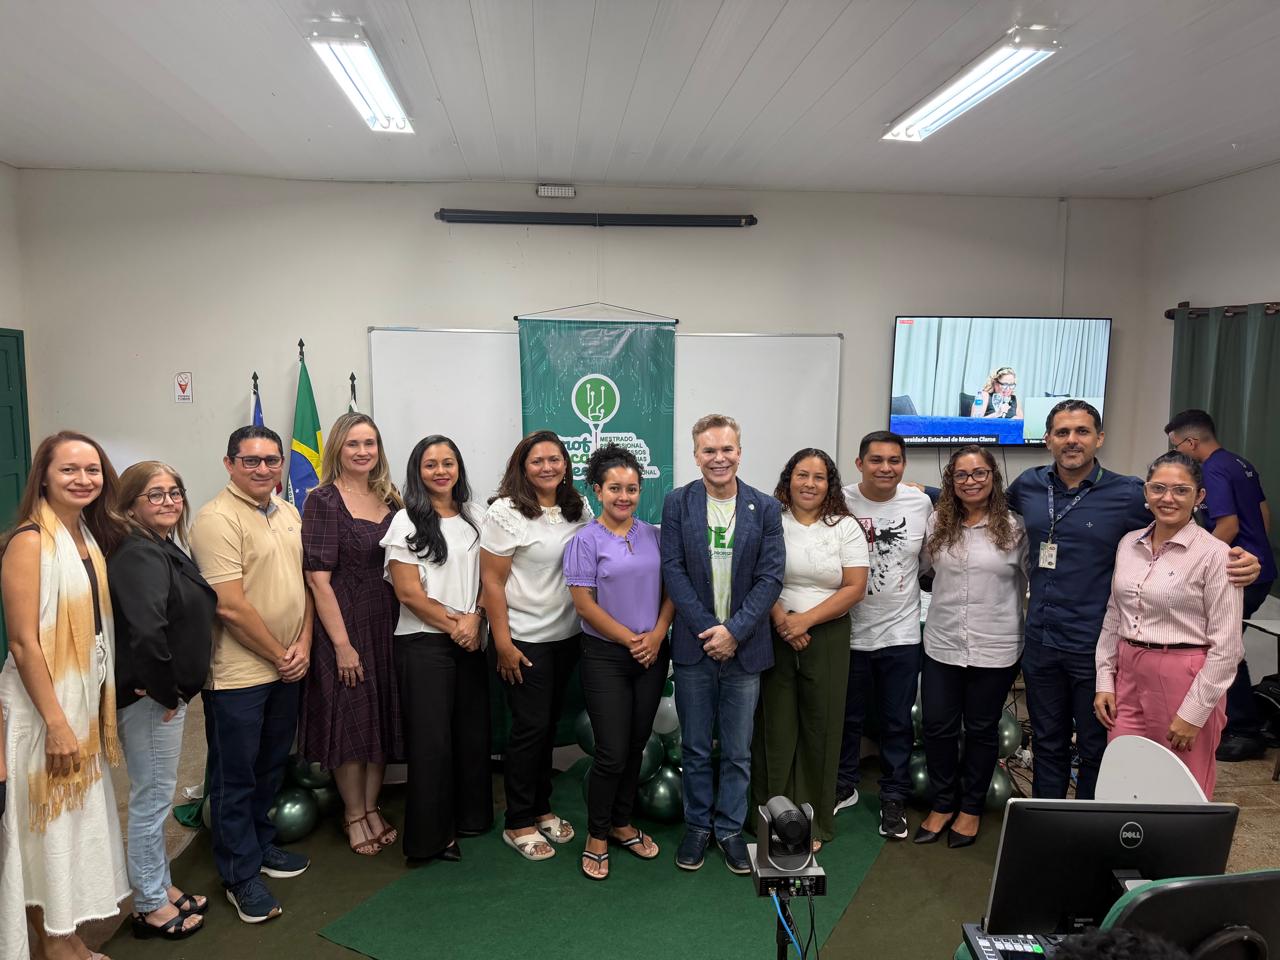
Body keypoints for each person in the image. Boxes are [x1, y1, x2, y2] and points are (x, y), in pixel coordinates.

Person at [1006, 400, 1259, 801]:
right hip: (1043, 641)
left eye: (1082, 431)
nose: (1072, 440)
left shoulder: (1127, 493)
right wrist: (922, 491)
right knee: (1047, 744)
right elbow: (980, 504)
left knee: (1099, 752)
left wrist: (1242, 560)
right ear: (1048, 439)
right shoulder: (1028, 485)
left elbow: (1184, 529)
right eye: (1062, 432)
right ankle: (1048, 827)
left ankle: (1094, 830)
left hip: (1093, 646)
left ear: (1099, 438)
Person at [0, 431, 130, 960]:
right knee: (41, 832)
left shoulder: (85, 535)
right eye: (69, 470)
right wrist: (55, 722)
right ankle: (52, 945)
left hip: (80, 705)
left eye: (92, 470)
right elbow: (23, 642)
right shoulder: (30, 541)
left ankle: (66, 934)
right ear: (44, 477)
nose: (83, 479)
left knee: (66, 831)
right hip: (41, 711)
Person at [189, 425, 313, 924]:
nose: (263, 469)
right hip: (238, 676)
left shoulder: (287, 511)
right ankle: (239, 875)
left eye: (271, 460)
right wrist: (282, 654)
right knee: (234, 778)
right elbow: (230, 607)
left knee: (270, 766)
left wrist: (304, 644)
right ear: (229, 464)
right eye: (251, 460)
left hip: (287, 664)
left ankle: (260, 847)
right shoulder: (215, 520)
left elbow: (303, 586)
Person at [661, 414, 784, 875]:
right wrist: (710, 631)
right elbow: (672, 570)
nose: (719, 458)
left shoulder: (764, 507)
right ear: (696, 455)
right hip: (695, 648)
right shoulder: (678, 503)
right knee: (695, 747)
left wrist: (734, 631)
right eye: (709, 450)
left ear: (740, 452)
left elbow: (771, 577)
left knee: (737, 750)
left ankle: (730, 828)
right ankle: (697, 826)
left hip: (745, 649)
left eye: (727, 449)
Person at [1094, 452, 1244, 798]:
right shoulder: (1129, 544)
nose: (1168, 498)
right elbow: (1114, 615)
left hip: (1184, 677)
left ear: (1199, 496)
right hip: (1128, 673)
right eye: (1159, 488)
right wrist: (1105, 679)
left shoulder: (1215, 555)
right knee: (1124, 778)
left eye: (1181, 490)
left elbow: (1227, 648)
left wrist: (1195, 713)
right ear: (1146, 492)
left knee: (1181, 788)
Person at [110, 461, 216, 940]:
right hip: (155, 701)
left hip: (164, 696)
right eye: (155, 494)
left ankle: (160, 884)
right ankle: (150, 904)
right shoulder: (137, 553)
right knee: (152, 801)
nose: (169, 501)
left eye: (175, 492)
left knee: (158, 794)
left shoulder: (160, 544)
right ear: (130, 504)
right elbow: (147, 631)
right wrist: (165, 689)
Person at [564, 444, 675, 880]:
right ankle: (597, 834)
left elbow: (671, 592)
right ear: (597, 490)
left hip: (652, 653)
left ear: (640, 490)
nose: (623, 496)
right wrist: (632, 640)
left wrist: (658, 633)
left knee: (635, 745)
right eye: (614, 488)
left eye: (631, 488)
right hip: (606, 656)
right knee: (610, 752)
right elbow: (584, 606)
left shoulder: (655, 535)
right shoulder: (584, 541)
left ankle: (622, 823)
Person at [481, 430, 592, 861]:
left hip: (568, 637)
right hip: (524, 641)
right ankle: (518, 821)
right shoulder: (506, 512)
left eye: (554, 459)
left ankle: (541, 808)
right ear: (522, 467)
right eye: (537, 461)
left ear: (566, 464)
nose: (547, 467)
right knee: (528, 731)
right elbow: (492, 582)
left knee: (546, 727)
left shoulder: (577, 507)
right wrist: (503, 644)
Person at [382, 435, 492, 862]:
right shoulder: (405, 521)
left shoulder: (476, 516)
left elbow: (491, 578)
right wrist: (458, 625)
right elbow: (408, 593)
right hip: (424, 643)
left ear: (459, 468)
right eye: (431, 464)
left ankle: (471, 818)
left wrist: (476, 618)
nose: (441, 471)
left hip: (471, 637)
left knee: (471, 735)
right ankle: (430, 840)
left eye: (448, 462)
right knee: (432, 744)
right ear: (418, 471)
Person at [751, 448, 868, 850]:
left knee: (821, 727)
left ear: (829, 484)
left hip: (827, 635)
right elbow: (757, 574)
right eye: (802, 475)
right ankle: (771, 817)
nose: (810, 484)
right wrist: (783, 619)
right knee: (775, 727)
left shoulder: (845, 527)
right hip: (774, 630)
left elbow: (855, 587)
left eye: (819, 477)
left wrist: (805, 621)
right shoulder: (771, 520)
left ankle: (812, 821)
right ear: (789, 479)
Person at [298, 413, 403, 857]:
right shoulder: (323, 501)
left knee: (379, 719)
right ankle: (354, 814)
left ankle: (373, 807)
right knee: (351, 722)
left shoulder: (390, 498)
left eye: (370, 443)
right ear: (337, 449)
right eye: (353, 444)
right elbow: (317, 580)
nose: (363, 451)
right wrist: (342, 646)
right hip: (345, 625)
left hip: (388, 623)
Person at [914, 446, 1027, 847]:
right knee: (937, 726)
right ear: (951, 481)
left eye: (979, 473)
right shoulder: (937, 523)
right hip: (943, 642)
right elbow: (925, 570)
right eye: (961, 474)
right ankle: (944, 802)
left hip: (995, 645)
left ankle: (971, 808)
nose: (971, 481)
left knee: (981, 729)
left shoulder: (1015, 528)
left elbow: (1034, 580)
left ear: (993, 477)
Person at [837, 431, 933, 841]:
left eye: (894, 461)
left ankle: (893, 796)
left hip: (901, 633)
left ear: (904, 465)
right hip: (849, 632)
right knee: (847, 718)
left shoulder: (920, 503)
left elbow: (926, 562)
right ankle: (843, 785)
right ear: (860, 464)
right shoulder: (839, 500)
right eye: (876, 460)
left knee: (896, 722)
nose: (886, 468)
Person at [1165, 408, 1274, 763]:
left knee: (1222, 646)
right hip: (1257, 568)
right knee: (1227, 642)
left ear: (1191, 442)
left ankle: (1243, 729)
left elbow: (1227, 525)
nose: (1177, 453)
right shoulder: (1239, 463)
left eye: (1176, 446)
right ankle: (1238, 723)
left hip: (1237, 572)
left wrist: (1190, 565)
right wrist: (1255, 550)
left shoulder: (1211, 469)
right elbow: (1263, 514)